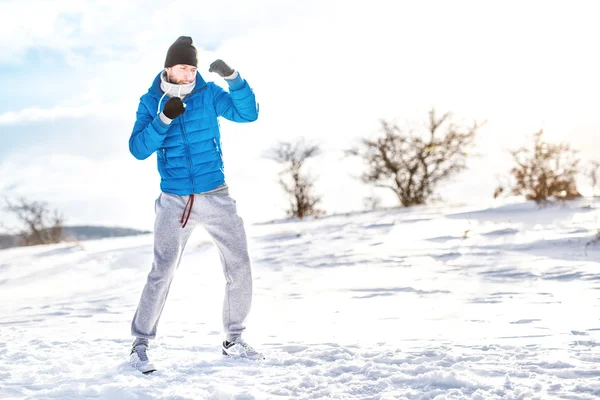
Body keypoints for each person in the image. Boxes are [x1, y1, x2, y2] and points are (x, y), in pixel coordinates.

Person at [127, 36, 261, 374]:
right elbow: (138, 149)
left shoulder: (209, 95)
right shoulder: (150, 101)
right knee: (162, 270)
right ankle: (140, 345)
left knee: (239, 265)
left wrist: (233, 79)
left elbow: (248, 114)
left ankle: (234, 340)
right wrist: (163, 120)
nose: (188, 74)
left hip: (215, 193)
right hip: (174, 200)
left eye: (192, 68)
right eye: (182, 68)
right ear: (168, 67)